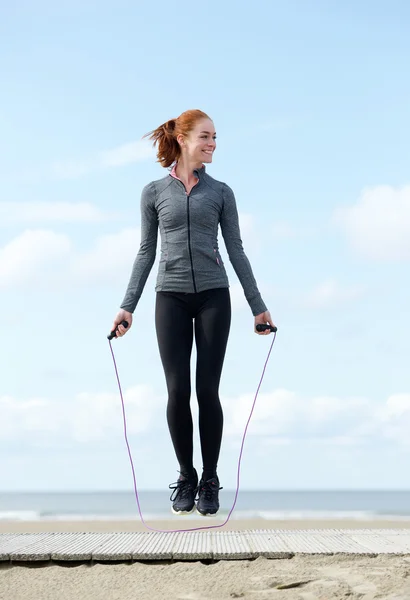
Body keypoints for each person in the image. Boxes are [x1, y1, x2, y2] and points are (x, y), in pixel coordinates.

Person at [110, 109, 275, 517]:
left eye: (215, 137)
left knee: (207, 391)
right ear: (183, 139)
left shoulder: (221, 192)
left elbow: (236, 249)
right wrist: (127, 306)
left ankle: (211, 480)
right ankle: (186, 475)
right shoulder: (153, 192)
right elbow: (146, 251)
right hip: (170, 297)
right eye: (206, 136)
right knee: (177, 391)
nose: (213, 144)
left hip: (214, 297)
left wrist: (258, 307)